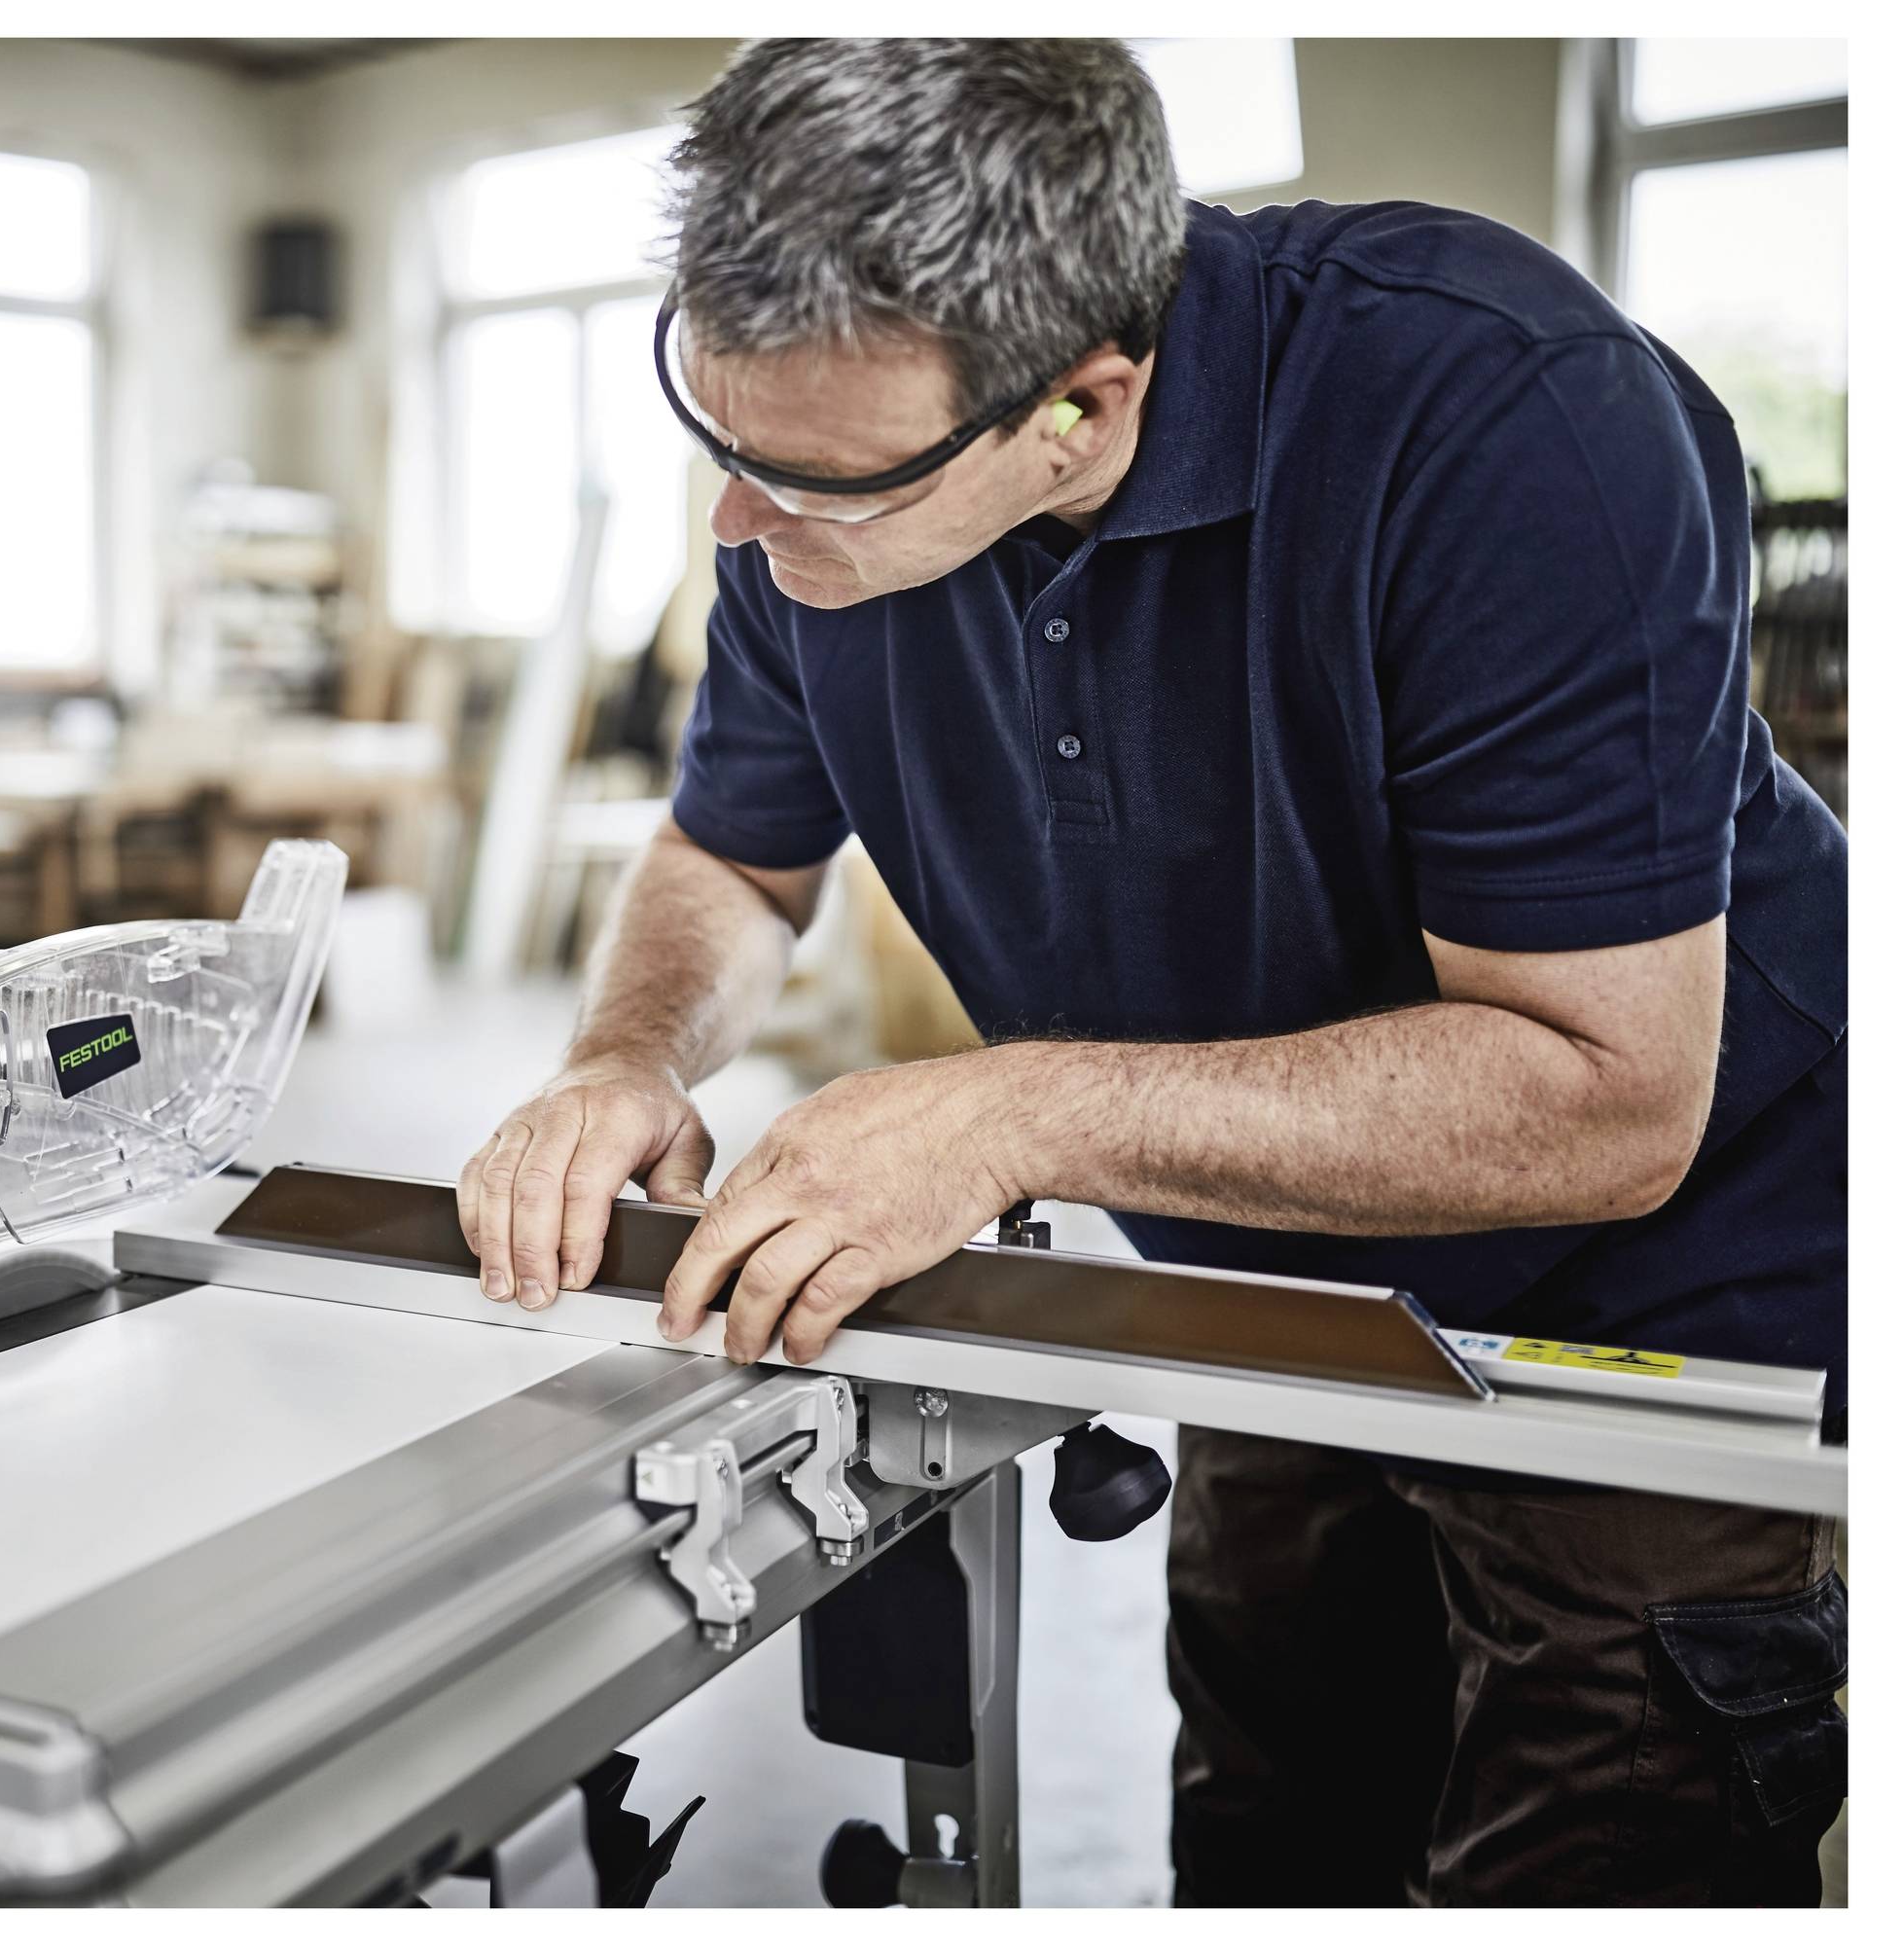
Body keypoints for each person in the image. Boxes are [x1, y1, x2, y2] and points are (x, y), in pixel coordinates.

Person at [455, 38, 1846, 1907]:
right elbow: (733, 848)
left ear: (1083, 408)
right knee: (1278, 1815)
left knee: (1590, 1839)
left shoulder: (1512, 420)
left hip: (1658, 1291)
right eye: (724, 447)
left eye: (815, 487)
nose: (739, 529)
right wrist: (624, 1057)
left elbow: (1605, 1097)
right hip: (1268, 1269)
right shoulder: (817, 489)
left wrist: (1014, 1112)